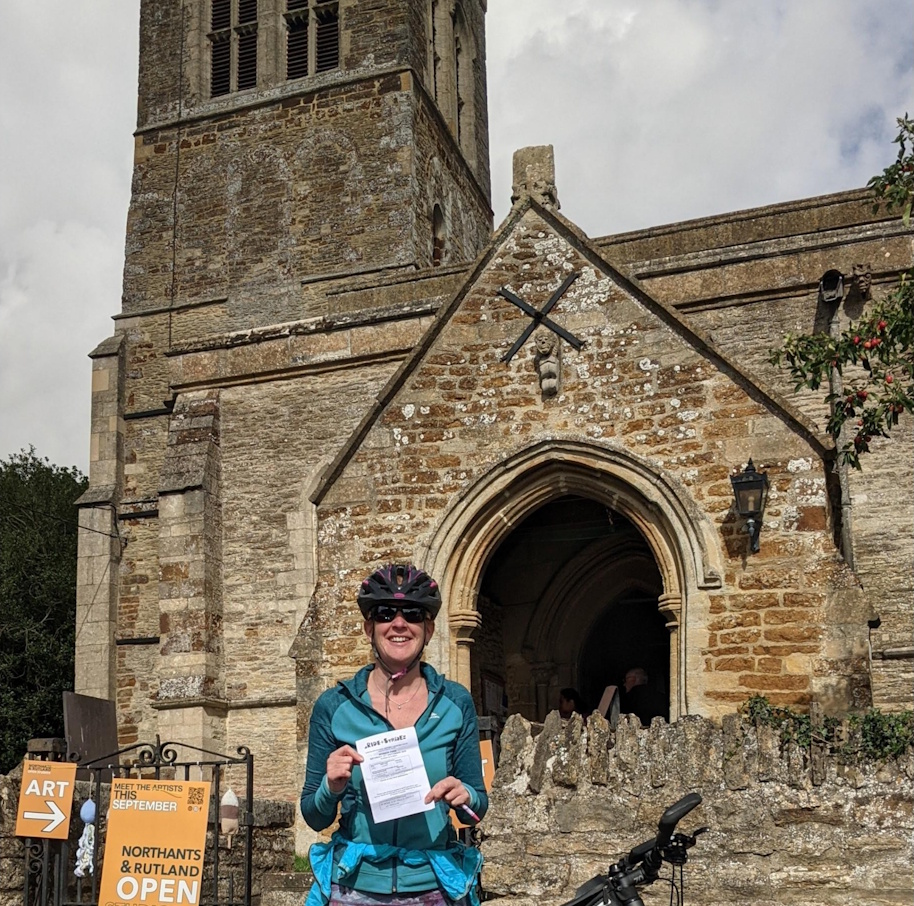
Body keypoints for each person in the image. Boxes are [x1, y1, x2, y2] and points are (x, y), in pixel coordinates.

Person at [301, 564, 488, 906]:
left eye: (413, 614)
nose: (399, 623)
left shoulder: (455, 702)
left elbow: (476, 810)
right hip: (356, 887)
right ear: (369, 628)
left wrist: (466, 797)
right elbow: (314, 816)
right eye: (386, 614)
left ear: (428, 630)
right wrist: (331, 787)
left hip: (432, 887)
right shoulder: (334, 706)